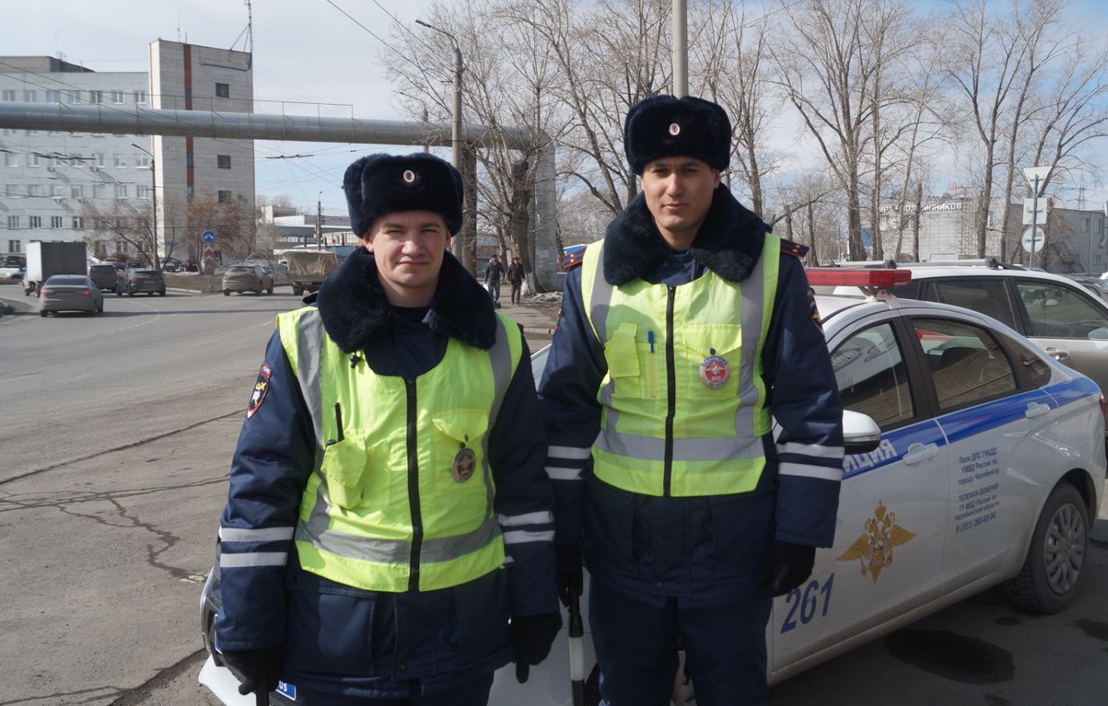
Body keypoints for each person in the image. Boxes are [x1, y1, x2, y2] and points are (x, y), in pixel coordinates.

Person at [215, 152, 561, 706]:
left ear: (448, 238)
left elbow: (523, 485)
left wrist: (537, 602)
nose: (412, 245)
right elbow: (261, 488)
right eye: (394, 229)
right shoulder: (303, 340)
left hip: (461, 632)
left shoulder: (499, 344)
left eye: (429, 229)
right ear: (366, 238)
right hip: (339, 634)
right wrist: (249, 624)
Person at [537, 95, 844, 706]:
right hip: (622, 546)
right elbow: (564, 417)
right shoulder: (593, 274)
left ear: (716, 175)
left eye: (690, 170)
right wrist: (561, 535)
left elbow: (811, 412)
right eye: (659, 170)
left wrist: (800, 532)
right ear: (640, 178)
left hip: (732, 550)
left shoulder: (770, 270)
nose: (673, 186)